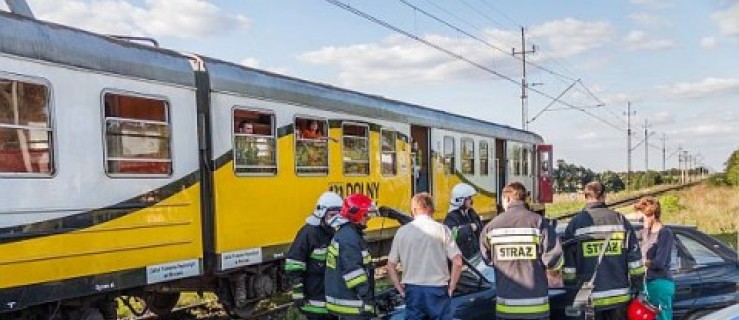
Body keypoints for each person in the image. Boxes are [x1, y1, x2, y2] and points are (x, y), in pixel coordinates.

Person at [480, 182, 563, 320]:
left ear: (507, 199)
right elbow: (554, 260)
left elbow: (487, 259)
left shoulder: (491, 227)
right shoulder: (539, 223)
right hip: (536, 306)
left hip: (506, 307)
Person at [562, 181, 645, 320]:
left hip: (589, 298)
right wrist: (638, 287)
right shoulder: (620, 220)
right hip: (619, 297)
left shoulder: (576, 224)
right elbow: (635, 261)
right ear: (604, 196)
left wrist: (571, 288)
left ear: (585, 197)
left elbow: (569, 266)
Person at [387, 193, 464, 320]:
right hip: (438, 290)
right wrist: (452, 287)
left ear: (413, 210)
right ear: (431, 209)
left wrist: (400, 289)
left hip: (413, 291)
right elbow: (458, 262)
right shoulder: (442, 230)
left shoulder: (402, 232)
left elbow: (390, 266)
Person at [285, 192, 344, 320]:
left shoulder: (337, 232)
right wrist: (297, 291)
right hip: (314, 297)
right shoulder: (308, 233)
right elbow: (294, 263)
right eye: (332, 215)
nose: (335, 219)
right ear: (321, 214)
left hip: (332, 299)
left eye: (338, 215)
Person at [325, 194, 377, 319]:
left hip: (345, 299)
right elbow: (354, 273)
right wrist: (367, 299)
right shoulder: (349, 238)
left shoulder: (347, 233)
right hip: (352, 305)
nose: (368, 218)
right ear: (355, 214)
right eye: (365, 214)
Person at [635, 197, 675, 320]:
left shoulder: (665, 233)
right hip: (648, 283)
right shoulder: (645, 232)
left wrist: (641, 263)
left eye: (642, 217)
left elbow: (659, 262)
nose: (641, 221)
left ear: (651, 215)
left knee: (662, 317)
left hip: (660, 283)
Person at [443, 183, 483, 260]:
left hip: (475, 259)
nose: (471, 201)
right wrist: (469, 228)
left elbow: (481, 230)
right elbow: (452, 236)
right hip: (464, 261)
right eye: (469, 198)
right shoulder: (451, 217)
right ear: (460, 200)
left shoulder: (471, 213)